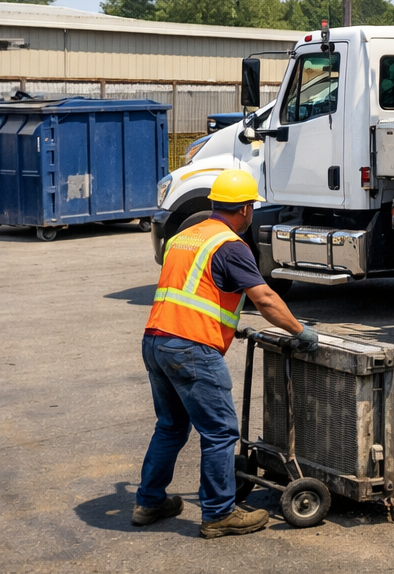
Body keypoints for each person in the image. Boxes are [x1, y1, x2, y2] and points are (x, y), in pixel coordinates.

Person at [134, 169, 319, 538]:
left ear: (215, 203)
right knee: (220, 431)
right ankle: (219, 514)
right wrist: (300, 332)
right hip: (191, 348)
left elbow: (198, 289)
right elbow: (265, 299)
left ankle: (149, 502)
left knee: (171, 426)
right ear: (246, 209)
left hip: (156, 341)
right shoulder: (230, 245)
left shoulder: (183, 237)